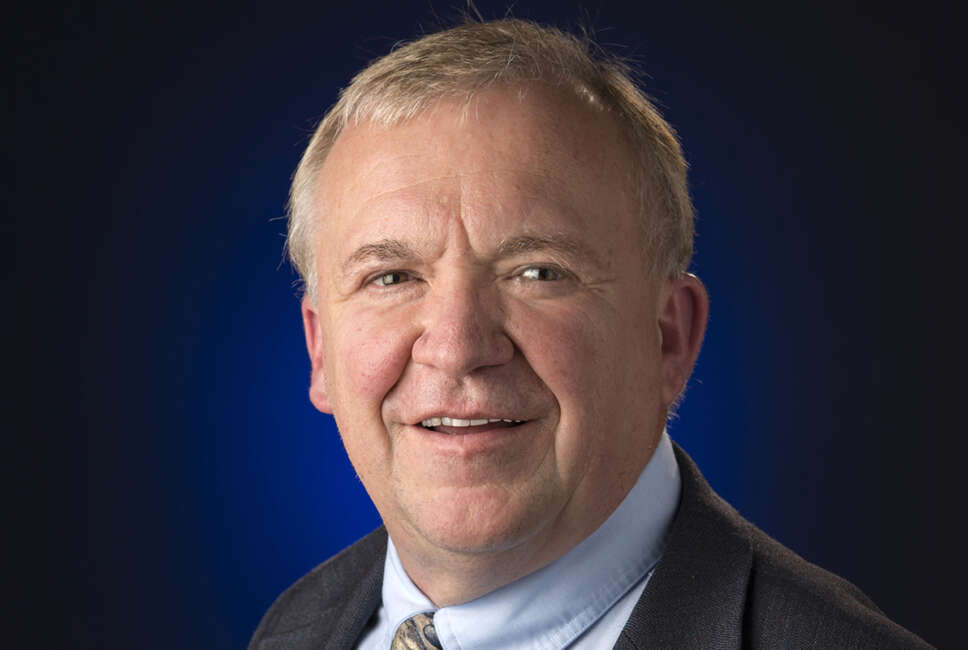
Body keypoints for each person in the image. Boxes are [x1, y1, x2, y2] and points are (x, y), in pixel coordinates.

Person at [250, 18, 930, 650]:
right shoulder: (296, 627)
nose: (458, 347)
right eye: (391, 277)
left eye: (537, 272)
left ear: (669, 339)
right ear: (320, 351)